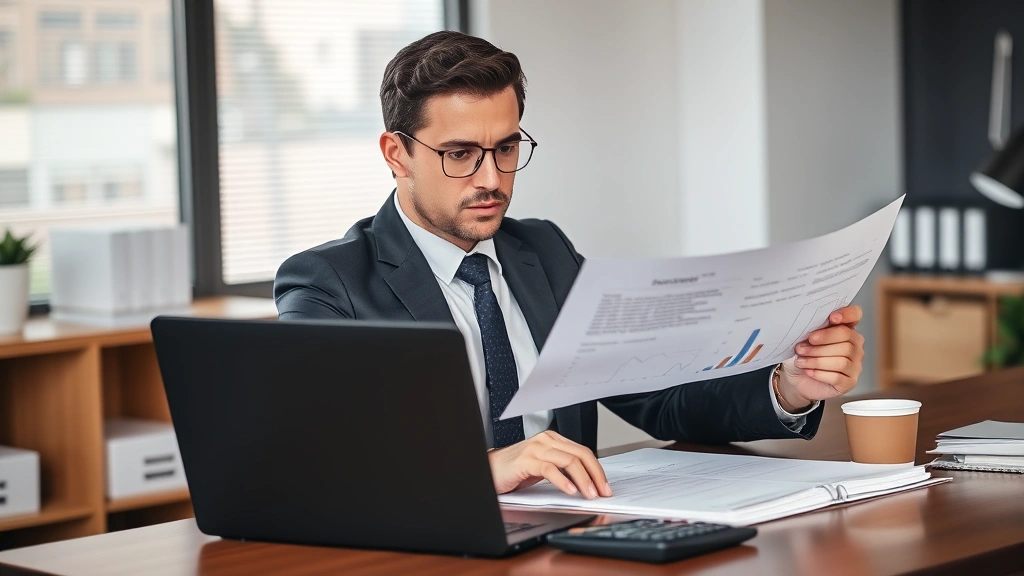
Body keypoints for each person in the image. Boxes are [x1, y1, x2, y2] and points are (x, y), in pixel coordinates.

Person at [274, 31, 866, 501]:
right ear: (396, 154)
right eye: (459, 154)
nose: (491, 179)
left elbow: (656, 396)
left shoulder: (546, 254)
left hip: (573, 538)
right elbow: (323, 461)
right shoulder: (329, 284)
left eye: (506, 149)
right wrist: (483, 470)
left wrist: (788, 388)